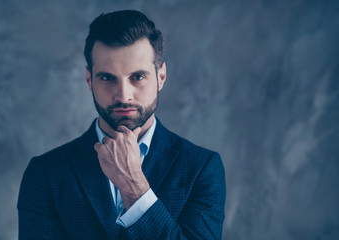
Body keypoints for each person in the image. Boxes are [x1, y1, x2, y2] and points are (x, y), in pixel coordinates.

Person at [17, 10, 226, 240]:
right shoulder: (45, 173)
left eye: (137, 77)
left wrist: (134, 187)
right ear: (89, 80)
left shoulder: (202, 168)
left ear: (161, 77)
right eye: (107, 78)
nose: (123, 95)